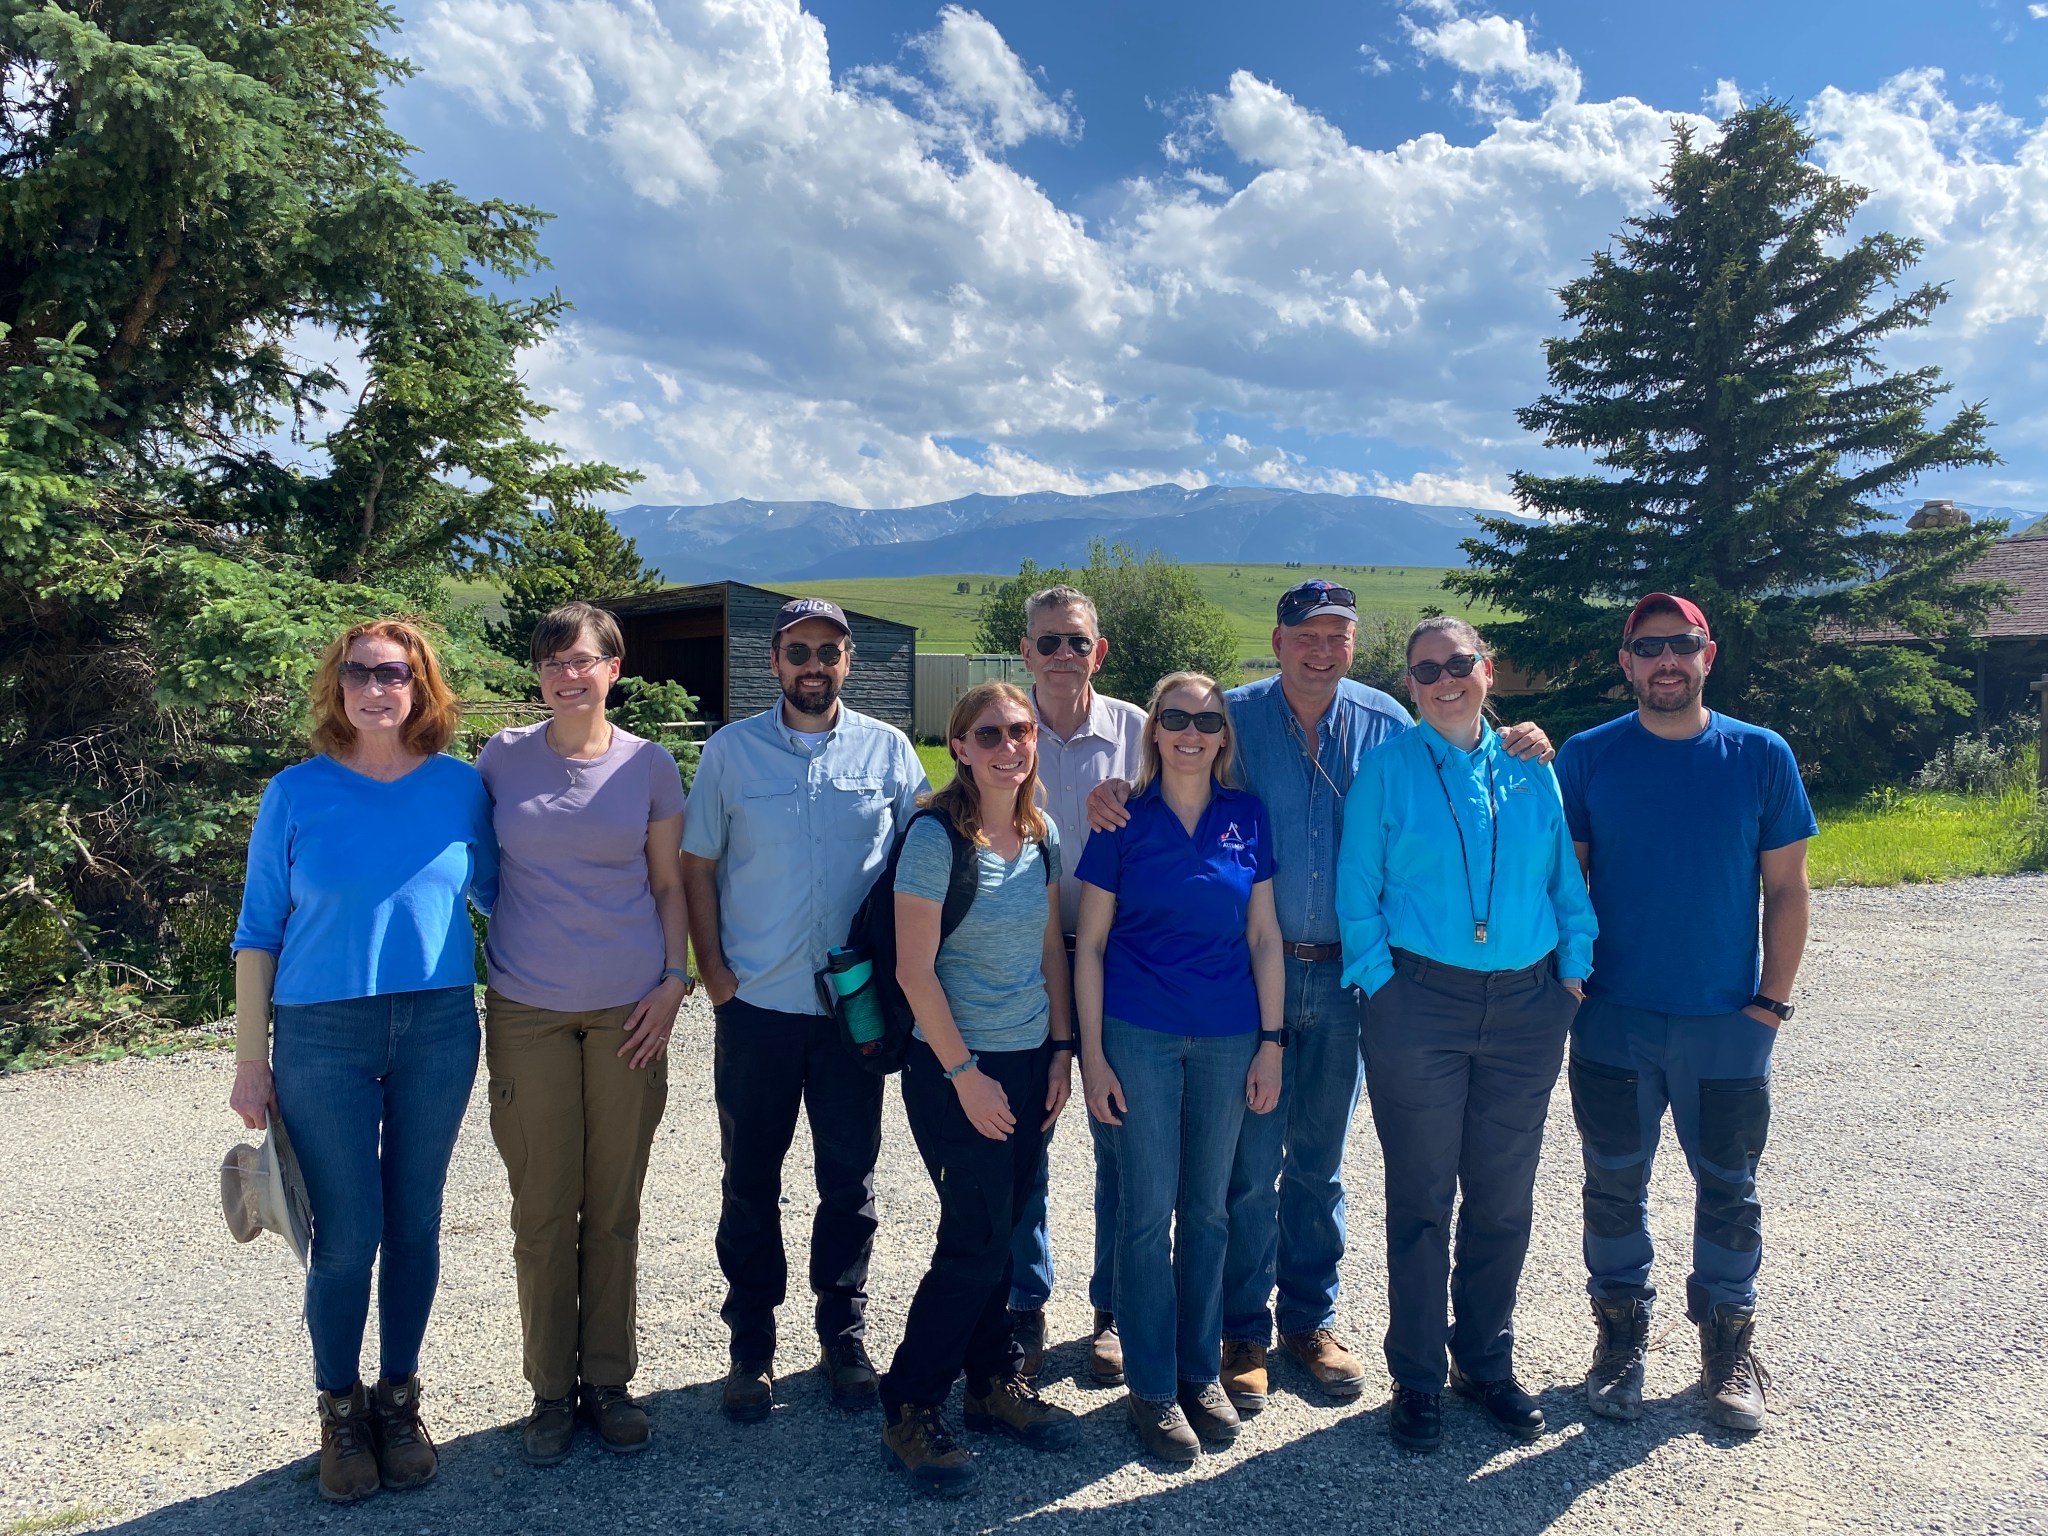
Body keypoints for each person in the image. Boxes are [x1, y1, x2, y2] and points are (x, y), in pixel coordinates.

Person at [1088, 579, 1553, 1413]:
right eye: (1307, 634)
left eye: (1338, 635)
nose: (1322, 649)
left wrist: (1524, 738)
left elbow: (1457, 749)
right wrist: (1112, 792)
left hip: (1345, 974)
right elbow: (1174, 766)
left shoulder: (1384, 718)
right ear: (1277, 640)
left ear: (1352, 644)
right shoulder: (1233, 714)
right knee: (1246, 1162)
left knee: (1319, 1161)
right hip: (1251, 976)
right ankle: (1242, 1329)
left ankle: (1310, 1319)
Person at [229, 620, 497, 1504]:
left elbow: (510, 895)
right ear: (336, 686)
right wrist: (250, 1061)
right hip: (321, 1034)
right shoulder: (294, 793)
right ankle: (340, 1411)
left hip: (437, 1026)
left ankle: (399, 1399)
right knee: (347, 1240)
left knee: (416, 1222)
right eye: (358, 673)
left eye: (395, 673)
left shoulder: (463, 789)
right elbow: (257, 933)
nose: (376, 687)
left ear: (422, 688)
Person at [1335, 615, 1595, 1454]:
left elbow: (1564, 876)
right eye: (1425, 669)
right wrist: (1383, 988)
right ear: (1409, 684)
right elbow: (1357, 891)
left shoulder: (1530, 764)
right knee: (1420, 1200)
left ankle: (1483, 1361)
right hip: (1420, 1007)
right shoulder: (1388, 767)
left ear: (1487, 670)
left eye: (1459, 663)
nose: (1444, 679)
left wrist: (1573, 971)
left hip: (1527, 1006)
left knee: (1502, 1197)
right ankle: (1416, 1377)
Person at [1555, 594, 1814, 1434]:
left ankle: (1728, 1343)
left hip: (1725, 1023)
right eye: (1649, 647)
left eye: (1683, 645)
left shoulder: (1761, 755)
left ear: (1709, 654)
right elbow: (1569, 886)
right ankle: (1620, 1337)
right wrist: (1570, 980)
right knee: (1612, 1186)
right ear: (1626, 663)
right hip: (1613, 1021)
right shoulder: (1590, 759)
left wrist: (1770, 1003)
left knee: (1731, 1190)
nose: (1667, 660)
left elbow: (1786, 889)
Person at [680, 597, 928, 1423]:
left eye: (828, 651)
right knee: (750, 1180)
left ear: (848, 661)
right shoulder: (730, 753)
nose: (813, 665)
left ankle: (842, 1336)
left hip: (853, 1011)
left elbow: (924, 859)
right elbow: (697, 868)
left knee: (849, 1181)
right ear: (774, 662)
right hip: (757, 1005)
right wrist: (713, 974)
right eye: (797, 652)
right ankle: (750, 1345)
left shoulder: (890, 753)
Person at [476, 602, 690, 1464]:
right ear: (540, 675)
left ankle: (607, 1380)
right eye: (555, 662)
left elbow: (670, 885)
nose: (570, 674)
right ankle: (548, 1392)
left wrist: (676, 984)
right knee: (540, 1209)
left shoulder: (651, 767)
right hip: (527, 1007)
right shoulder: (500, 760)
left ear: (614, 668)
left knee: (611, 1208)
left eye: (586, 660)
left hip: (629, 1010)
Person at [1074, 673, 1286, 1463]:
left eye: (1207, 720)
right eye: (1176, 718)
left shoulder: (1247, 816)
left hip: (1231, 1036)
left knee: (1208, 1212)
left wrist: (1271, 1040)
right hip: (1140, 1036)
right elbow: (1089, 946)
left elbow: (1263, 936)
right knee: (1143, 1212)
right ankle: (1153, 1387)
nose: (1192, 732)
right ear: (1154, 730)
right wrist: (1093, 1057)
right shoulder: (1122, 819)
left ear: (1224, 735)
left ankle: (1202, 1373)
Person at [879, 682, 1079, 1495]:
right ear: (958, 746)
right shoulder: (934, 837)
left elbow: (1052, 955)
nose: (1009, 746)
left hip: (1031, 1060)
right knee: (974, 1239)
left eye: (1021, 731)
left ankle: (993, 1384)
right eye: (989, 733)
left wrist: (1062, 1050)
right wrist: (965, 1076)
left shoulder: (1042, 831)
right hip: (955, 1067)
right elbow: (912, 970)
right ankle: (911, 1403)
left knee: (1004, 1225)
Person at [1006, 584, 1146, 1387]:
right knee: (1024, 1141)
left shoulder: (1139, 731)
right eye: (1048, 642)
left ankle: (1115, 1309)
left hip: (1115, 959)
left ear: (1101, 651)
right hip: (1018, 960)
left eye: (1077, 642)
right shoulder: (1001, 725)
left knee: (1120, 1140)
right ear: (1025, 652)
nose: (1063, 655)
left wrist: (1139, 798)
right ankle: (1024, 1306)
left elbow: (1189, 810)